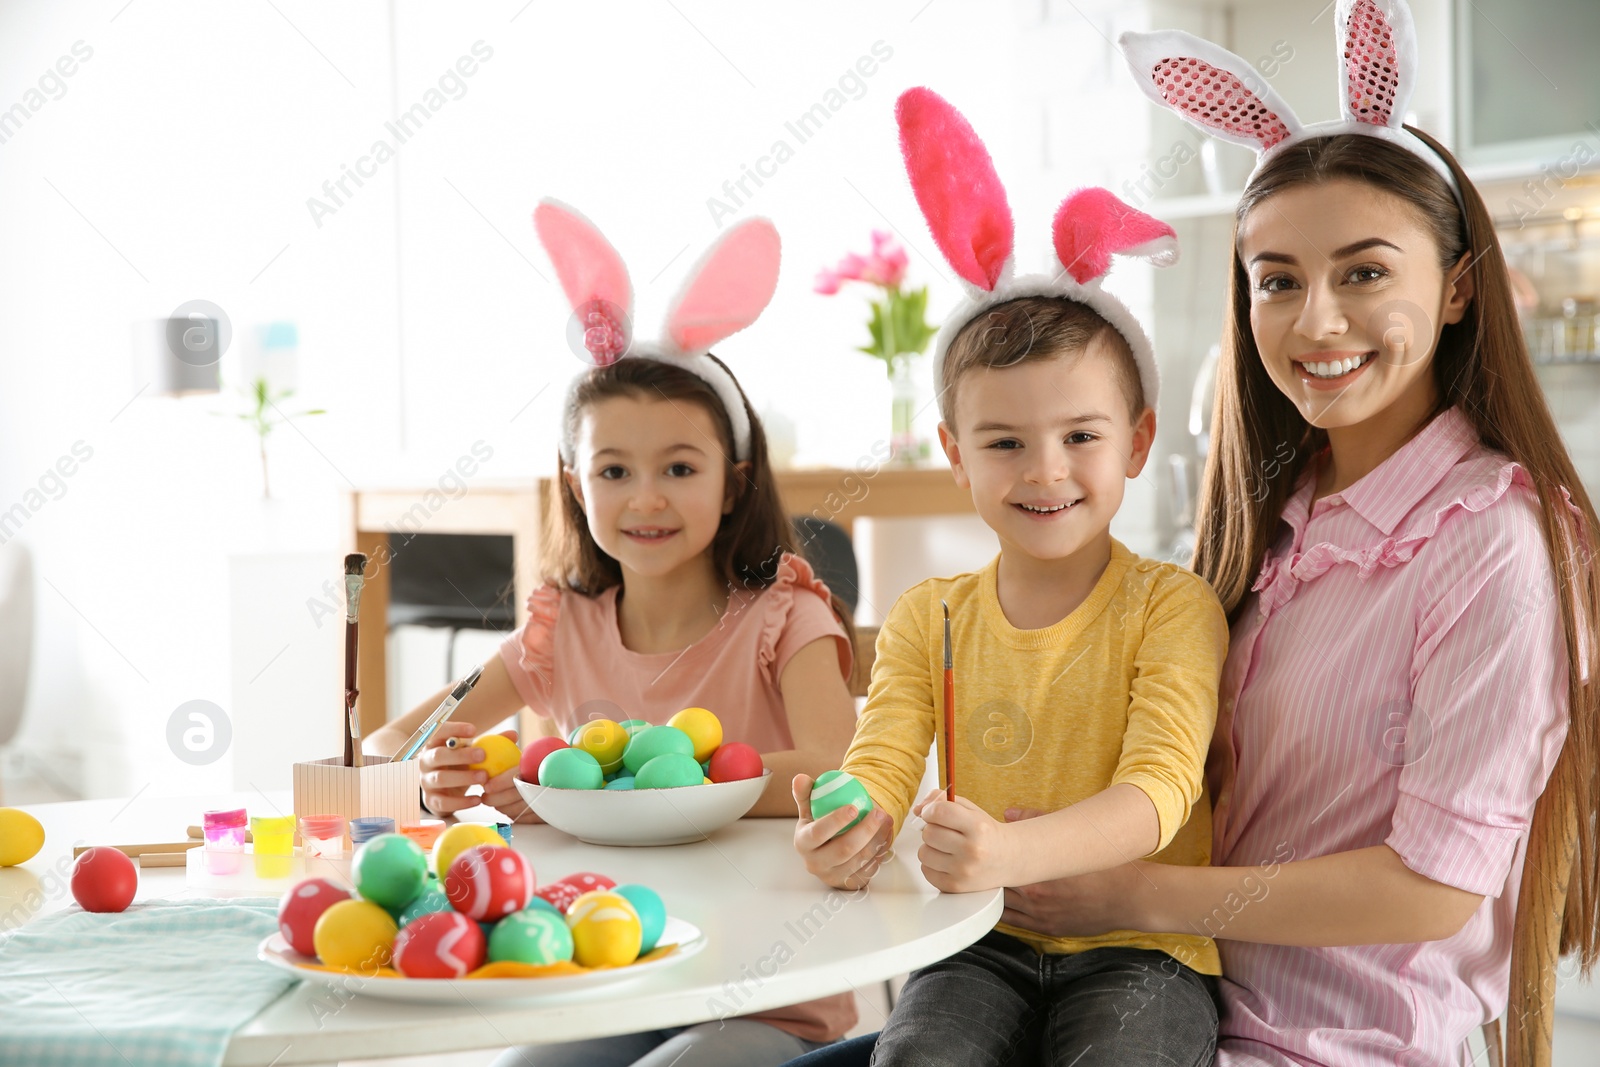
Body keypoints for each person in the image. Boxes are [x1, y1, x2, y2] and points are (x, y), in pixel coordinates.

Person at [973, 7, 1600, 1065]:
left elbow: (1431, 884)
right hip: (1153, 991)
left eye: (1362, 272)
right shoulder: (1275, 516)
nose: (1315, 321)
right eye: (1277, 279)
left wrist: (1126, 888)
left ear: (1454, 287)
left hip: (1327, 1040)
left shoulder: (1494, 539)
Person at [791, 87, 1227, 1067]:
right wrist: (853, 817)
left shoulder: (1171, 605)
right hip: (977, 940)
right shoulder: (927, 615)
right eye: (1003, 441)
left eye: (1080, 435)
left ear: (1137, 441)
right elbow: (885, 755)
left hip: (1142, 952)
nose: (1044, 471)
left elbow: (1159, 789)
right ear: (955, 451)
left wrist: (1015, 851)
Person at [367, 202, 859, 1066]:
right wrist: (429, 778)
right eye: (614, 470)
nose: (646, 499)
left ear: (735, 481)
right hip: (604, 976)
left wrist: (620, 778)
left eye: (680, 467)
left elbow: (838, 770)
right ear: (574, 481)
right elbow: (387, 742)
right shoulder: (561, 633)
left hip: (767, 993)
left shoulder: (788, 619)